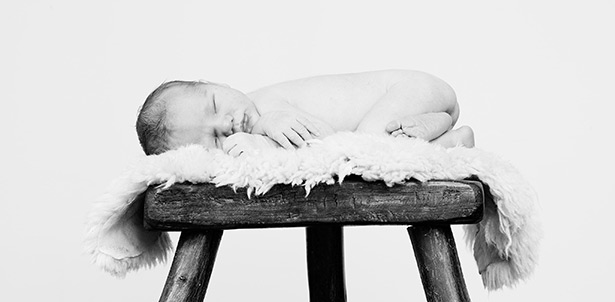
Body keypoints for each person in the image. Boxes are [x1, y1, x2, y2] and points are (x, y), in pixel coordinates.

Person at [136, 70, 475, 157]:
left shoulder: (269, 110)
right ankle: (452, 137)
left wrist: (270, 127)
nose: (226, 123)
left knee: (367, 146)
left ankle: (441, 127)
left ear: (216, 83)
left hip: (410, 88)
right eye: (212, 139)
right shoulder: (250, 130)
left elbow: (329, 145)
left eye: (213, 104)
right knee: (376, 148)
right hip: (416, 99)